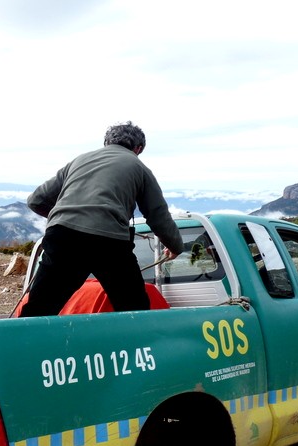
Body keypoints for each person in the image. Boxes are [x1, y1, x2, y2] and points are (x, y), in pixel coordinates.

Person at [19, 121, 184, 317]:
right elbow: (158, 216)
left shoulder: (79, 161)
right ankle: (135, 344)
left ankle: (21, 344)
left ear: (107, 142)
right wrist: (175, 247)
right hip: (109, 242)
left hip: (63, 237)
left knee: (40, 306)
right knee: (134, 307)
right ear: (138, 148)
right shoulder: (139, 168)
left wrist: (65, 218)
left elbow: (36, 200)